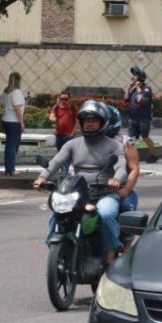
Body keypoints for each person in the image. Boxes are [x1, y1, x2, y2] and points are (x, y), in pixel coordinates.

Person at [34, 101, 127, 265]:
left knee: (106, 214)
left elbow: (121, 167)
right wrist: (42, 177)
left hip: (105, 193)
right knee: (58, 213)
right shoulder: (72, 144)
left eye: (94, 120)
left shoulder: (114, 145)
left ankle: (110, 255)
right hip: (79, 194)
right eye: (86, 120)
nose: (89, 123)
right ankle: (55, 248)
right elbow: (55, 163)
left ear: (102, 122)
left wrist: (116, 180)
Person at [104, 106, 141, 252]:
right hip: (96, 189)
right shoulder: (88, 140)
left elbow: (134, 168)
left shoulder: (125, 142)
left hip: (120, 188)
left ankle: (126, 250)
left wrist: (126, 189)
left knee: (127, 210)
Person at [126, 67, 158, 163]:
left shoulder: (146, 89)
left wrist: (139, 88)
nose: (132, 77)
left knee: (145, 137)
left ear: (140, 78)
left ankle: (153, 155)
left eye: (134, 76)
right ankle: (131, 158)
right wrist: (129, 88)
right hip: (132, 118)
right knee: (131, 139)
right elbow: (126, 99)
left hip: (143, 118)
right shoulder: (133, 90)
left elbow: (142, 100)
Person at [0, 72, 26, 176]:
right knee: (12, 146)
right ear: (19, 80)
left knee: (9, 145)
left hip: (6, 119)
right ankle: (11, 169)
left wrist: (8, 107)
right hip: (14, 122)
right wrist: (22, 122)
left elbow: (1, 105)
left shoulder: (6, 91)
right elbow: (17, 108)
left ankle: (8, 169)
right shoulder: (17, 92)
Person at [49, 92, 79, 171]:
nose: (63, 101)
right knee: (61, 155)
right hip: (59, 136)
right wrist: (52, 118)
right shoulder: (57, 107)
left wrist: (72, 134)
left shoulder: (73, 108)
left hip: (69, 136)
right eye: (62, 99)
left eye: (65, 99)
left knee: (67, 155)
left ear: (69, 99)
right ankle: (64, 172)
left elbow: (77, 122)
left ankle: (64, 172)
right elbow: (51, 115)